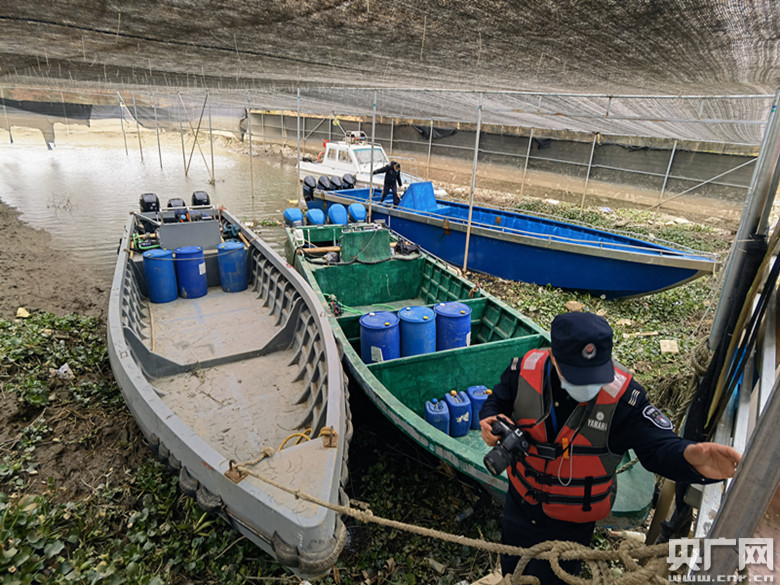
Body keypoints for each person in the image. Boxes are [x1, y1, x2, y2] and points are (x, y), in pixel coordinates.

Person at [479, 311, 742, 583]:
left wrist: (690, 458)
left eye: (595, 374)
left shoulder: (624, 400)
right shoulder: (522, 373)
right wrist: (489, 420)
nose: (589, 384)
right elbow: (496, 402)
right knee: (512, 570)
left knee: (557, 578)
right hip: (520, 507)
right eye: (579, 375)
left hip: (572, 526)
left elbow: (657, 447)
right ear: (553, 356)